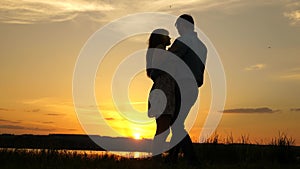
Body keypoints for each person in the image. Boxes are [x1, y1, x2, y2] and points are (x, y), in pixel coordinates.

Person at [167, 14, 207, 166]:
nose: (177, 31)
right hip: (193, 88)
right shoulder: (203, 46)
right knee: (178, 123)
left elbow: (170, 58)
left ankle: (193, 160)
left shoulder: (183, 41)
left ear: (183, 25)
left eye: (177, 27)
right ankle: (171, 159)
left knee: (176, 124)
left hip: (182, 85)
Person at [146, 29, 176, 157]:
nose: (170, 38)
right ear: (161, 38)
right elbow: (159, 68)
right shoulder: (160, 50)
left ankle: (156, 156)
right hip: (164, 89)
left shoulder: (156, 51)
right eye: (167, 36)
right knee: (163, 128)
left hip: (161, 88)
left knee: (162, 127)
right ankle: (156, 156)